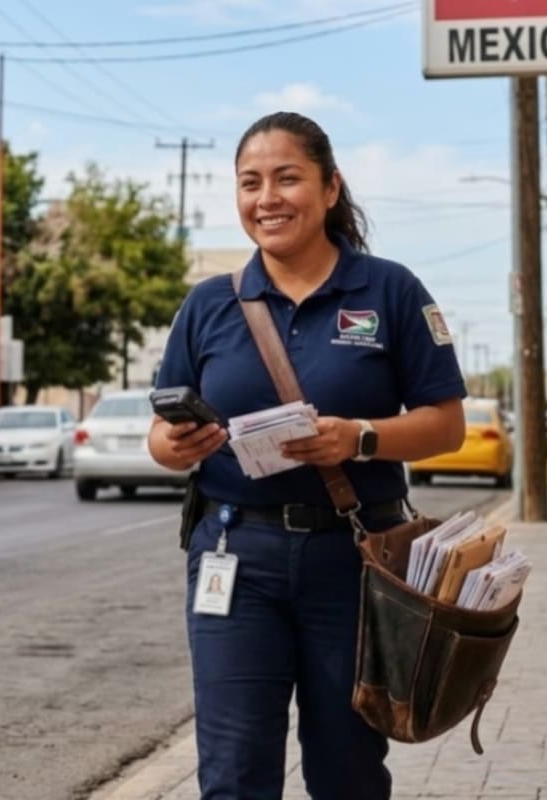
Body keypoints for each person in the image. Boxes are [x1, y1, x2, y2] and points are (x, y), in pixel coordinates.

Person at [148, 112, 467, 800]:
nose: (267, 198)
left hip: (354, 563)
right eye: (250, 182)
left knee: (347, 769)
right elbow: (159, 431)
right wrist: (176, 445)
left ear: (329, 188)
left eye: (287, 178)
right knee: (233, 772)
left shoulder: (391, 291)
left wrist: (361, 437)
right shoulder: (209, 305)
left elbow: (446, 426)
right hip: (236, 559)